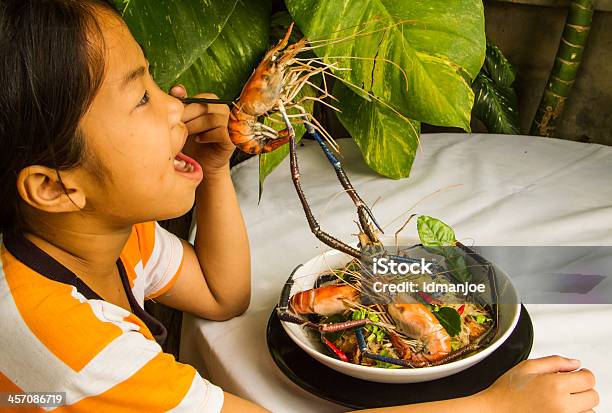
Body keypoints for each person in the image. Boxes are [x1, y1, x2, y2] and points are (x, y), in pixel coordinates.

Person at [0, 1, 598, 412]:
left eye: (157, 82)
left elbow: (220, 294)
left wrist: (211, 170)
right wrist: (490, 404)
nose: (178, 101)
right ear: (53, 187)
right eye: (140, 99)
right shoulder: (67, 345)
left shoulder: (109, 235)